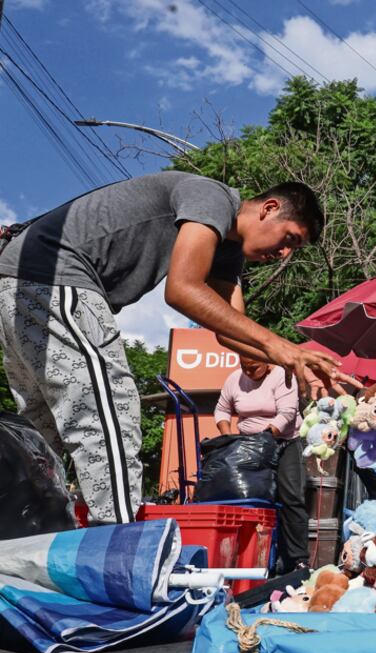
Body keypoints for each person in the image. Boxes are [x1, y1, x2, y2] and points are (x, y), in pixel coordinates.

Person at [0, 172, 357, 524]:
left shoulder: (227, 251)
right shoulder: (212, 196)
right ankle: (115, 542)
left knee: (39, 433)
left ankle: (21, 534)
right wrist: (284, 349)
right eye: (289, 239)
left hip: (22, 284)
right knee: (108, 409)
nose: (283, 254)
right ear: (269, 208)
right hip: (54, 277)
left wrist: (295, 362)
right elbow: (183, 289)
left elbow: (233, 334)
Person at [214, 356, 307, 574]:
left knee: (291, 496)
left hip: (283, 442)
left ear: (267, 363)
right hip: (247, 445)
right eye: (244, 367)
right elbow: (221, 410)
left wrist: (266, 437)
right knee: (251, 498)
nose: (248, 372)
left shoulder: (283, 377)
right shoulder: (234, 380)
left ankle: (298, 560)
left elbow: (287, 412)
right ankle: (253, 558)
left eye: (253, 367)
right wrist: (228, 437)